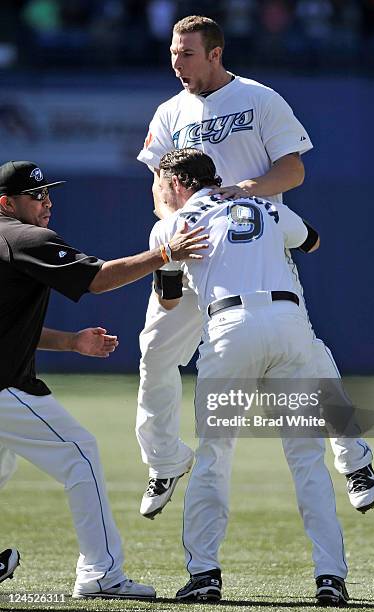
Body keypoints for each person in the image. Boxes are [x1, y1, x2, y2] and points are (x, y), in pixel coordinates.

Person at [136, 14, 374, 520]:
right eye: (173, 53)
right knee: (155, 351)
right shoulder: (169, 112)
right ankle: (164, 461)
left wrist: (244, 190)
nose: (177, 63)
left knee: (309, 355)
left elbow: (294, 168)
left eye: (187, 53)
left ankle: (353, 455)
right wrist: (174, 225)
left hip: (253, 248)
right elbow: (161, 185)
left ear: (216, 53)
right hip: (191, 251)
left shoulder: (258, 98)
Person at [149, 147, 350, 606]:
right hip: (288, 326)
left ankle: (204, 574)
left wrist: (173, 250)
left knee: (215, 454)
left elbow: (168, 301)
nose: (159, 192)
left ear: (177, 184)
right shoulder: (264, 205)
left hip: (229, 332)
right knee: (306, 459)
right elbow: (313, 240)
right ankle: (330, 578)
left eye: (162, 184)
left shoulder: (171, 226)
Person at [0, 160, 207, 600]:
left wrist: (71, 342)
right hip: (4, 387)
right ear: (7, 203)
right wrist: (165, 253)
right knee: (80, 455)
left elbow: (10, 324)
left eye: (48, 193)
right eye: (35, 196)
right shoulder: (21, 237)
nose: (46, 202)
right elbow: (96, 280)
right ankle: (101, 574)